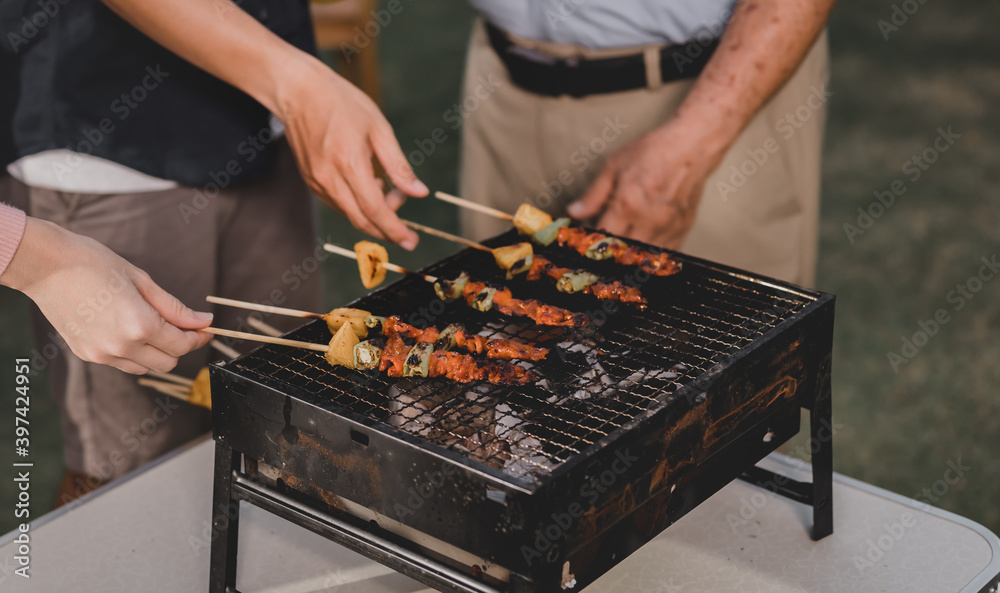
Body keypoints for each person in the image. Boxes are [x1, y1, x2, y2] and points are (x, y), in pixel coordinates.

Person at [1, 0, 425, 503]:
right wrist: (40, 261)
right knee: (132, 477)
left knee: (291, 422)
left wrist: (294, 85)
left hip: (263, 118)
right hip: (105, 134)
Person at [459, 0, 836, 287]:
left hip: (705, 97)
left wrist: (696, 138)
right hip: (499, 86)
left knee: (719, 364)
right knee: (497, 346)